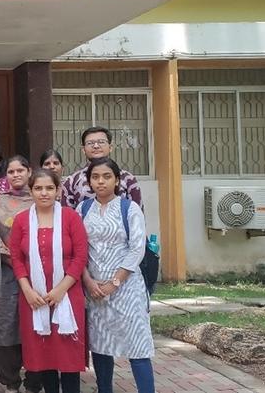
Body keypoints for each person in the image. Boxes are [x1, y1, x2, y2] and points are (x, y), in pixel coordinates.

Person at [78, 158, 155, 393]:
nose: (100, 181)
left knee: (137, 344)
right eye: (95, 177)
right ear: (89, 181)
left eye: (106, 176)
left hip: (127, 288)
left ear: (117, 180)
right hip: (95, 289)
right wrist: (88, 281)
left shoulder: (128, 208)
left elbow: (136, 249)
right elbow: (77, 248)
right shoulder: (82, 209)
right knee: (101, 345)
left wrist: (115, 282)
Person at [9, 169, 88, 393]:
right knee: (43, 354)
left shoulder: (71, 218)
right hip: (34, 297)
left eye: (49, 188)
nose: (44, 193)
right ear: (31, 191)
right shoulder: (22, 220)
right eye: (38, 188)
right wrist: (27, 290)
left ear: (58, 190)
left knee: (68, 352)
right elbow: (16, 258)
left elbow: (80, 256)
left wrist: (61, 289)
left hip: (67, 296)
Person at [0, 156, 40, 393]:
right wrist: (12, 259)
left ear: (29, 172)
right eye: (11, 171)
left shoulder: (41, 199)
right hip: (6, 271)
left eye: (21, 170)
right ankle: (10, 380)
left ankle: (35, 379)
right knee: (7, 323)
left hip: (38, 272)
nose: (16, 175)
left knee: (35, 323)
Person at [63, 127, 142, 209]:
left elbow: (137, 213)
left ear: (110, 147)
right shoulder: (71, 181)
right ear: (83, 149)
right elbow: (67, 217)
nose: (96, 146)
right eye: (90, 143)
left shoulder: (128, 179)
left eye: (101, 142)